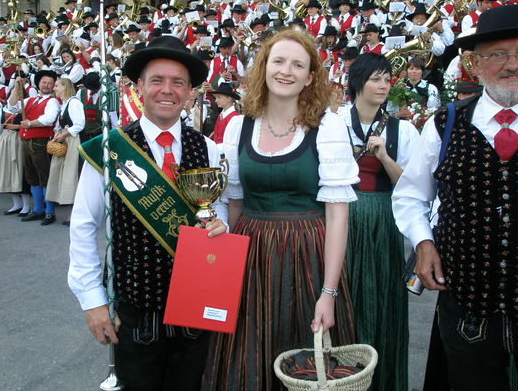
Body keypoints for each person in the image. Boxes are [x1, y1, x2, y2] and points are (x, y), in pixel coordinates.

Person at [202, 30, 359, 391]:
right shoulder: (239, 127)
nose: (286, 71)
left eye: (297, 64)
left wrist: (329, 292)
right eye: (278, 61)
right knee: (247, 355)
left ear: (309, 77)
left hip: (308, 256)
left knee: (308, 358)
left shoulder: (327, 126)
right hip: (251, 256)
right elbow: (234, 202)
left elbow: (337, 216)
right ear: (264, 68)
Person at [68, 36, 228, 391]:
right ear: (139, 86)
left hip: (195, 310)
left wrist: (221, 225)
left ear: (189, 91)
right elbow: (82, 226)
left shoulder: (210, 149)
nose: (167, 90)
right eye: (157, 80)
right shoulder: (110, 150)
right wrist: (93, 302)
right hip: (135, 310)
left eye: (178, 82)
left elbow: (222, 212)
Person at [392, 5, 518, 391]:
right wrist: (425, 243)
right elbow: (411, 196)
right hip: (467, 307)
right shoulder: (443, 124)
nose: (512, 65)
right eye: (498, 54)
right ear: (475, 65)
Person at [344, 53, 420, 391]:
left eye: (387, 79)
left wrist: (384, 156)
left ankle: (381, 378)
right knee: (343, 295)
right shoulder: (333, 123)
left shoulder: (401, 129)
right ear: (358, 81)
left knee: (383, 298)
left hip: (383, 221)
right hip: (341, 217)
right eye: (376, 79)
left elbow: (413, 186)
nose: (383, 85)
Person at [7, 70, 60, 226]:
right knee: (32, 177)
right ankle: (38, 209)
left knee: (44, 177)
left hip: (40, 141)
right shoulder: (30, 99)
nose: (46, 85)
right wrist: (17, 87)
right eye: (44, 82)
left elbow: (49, 119)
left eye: (50, 83)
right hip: (26, 141)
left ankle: (50, 212)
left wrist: (30, 123)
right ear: (38, 83)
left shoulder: (52, 101)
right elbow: (11, 106)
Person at [45, 78, 84, 214]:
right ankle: (70, 210)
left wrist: (64, 135)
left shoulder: (74, 103)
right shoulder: (66, 104)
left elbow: (79, 124)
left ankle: (74, 213)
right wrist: (58, 134)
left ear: (64, 87)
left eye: (56, 86)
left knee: (71, 174)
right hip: (66, 139)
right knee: (62, 173)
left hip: (72, 141)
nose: (54, 88)